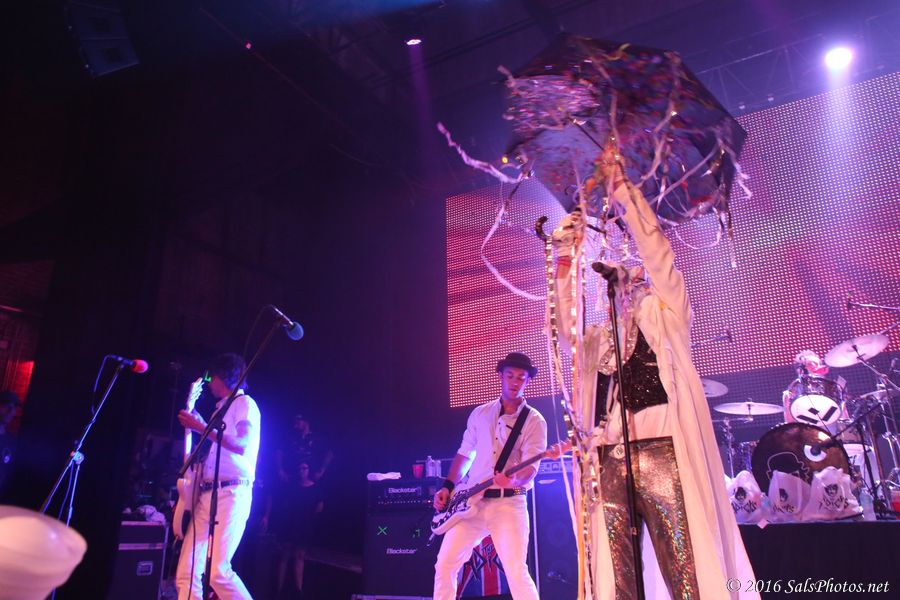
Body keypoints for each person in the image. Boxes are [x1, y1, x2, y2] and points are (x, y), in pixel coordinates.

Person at [551, 149, 757, 599]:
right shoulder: (599, 339)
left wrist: (622, 189)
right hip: (610, 457)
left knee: (686, 571)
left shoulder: (667, 318)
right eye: (623, 278)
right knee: (617, 578)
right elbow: (565, 327)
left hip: (663, 451)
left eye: (637, 277)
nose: (629, 281)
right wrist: (565, 257)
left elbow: (659, 255)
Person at [432, 353, 547, 600]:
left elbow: (532, 467)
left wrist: (513, 480)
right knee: (445, 564)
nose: (515, 381)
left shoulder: (534, 421)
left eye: (521, 377)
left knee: (516, 572)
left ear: (527, 381)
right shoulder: (480, 413)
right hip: (471, 503)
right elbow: (465, 453)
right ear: (501, 376)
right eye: (510, 375)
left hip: (509, 503)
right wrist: (448, 486)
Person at [175, 353, 261, 600]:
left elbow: (242, 443)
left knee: (218, 572)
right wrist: (199, 424)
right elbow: (216, 446)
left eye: (212, 376)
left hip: (232, 492)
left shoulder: (244, 404)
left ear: (225, 376)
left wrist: (201, 427)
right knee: (187, 571)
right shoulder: (220, 410)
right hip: (208, 492)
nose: (209, 382)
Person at [263, 460, 324, 598]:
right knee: (285, 555)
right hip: (290, 523)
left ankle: (298, 591)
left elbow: (320, 506)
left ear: (309, 470)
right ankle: (279, 590)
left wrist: (309, 516)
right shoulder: (292, 486)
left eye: (304, 468)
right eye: (299, 468)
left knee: (299, 556)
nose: (301, 471)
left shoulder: (315, 488)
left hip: (305, 524)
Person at [277, 414, 333, 482]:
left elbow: (329, 453)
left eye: (298, 423)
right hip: (294, 476)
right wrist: (280, 470)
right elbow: (279, 452)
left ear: (305, 422)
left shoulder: (316, 437)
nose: (295, 426)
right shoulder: (291, 437)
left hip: (312, 477)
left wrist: (322, 471)